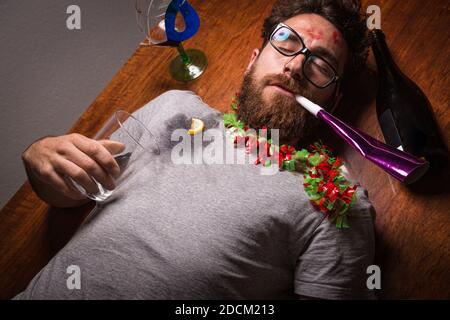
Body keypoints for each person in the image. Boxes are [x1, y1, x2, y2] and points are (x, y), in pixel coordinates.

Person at [16, 0, 376, 299]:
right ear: (253, 59)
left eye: (321, 64)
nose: (296, 65)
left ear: (334, 99)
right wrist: (41, 159)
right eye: (285, 41)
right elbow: (71, 191)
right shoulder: (176, 109)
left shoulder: (336, 200)